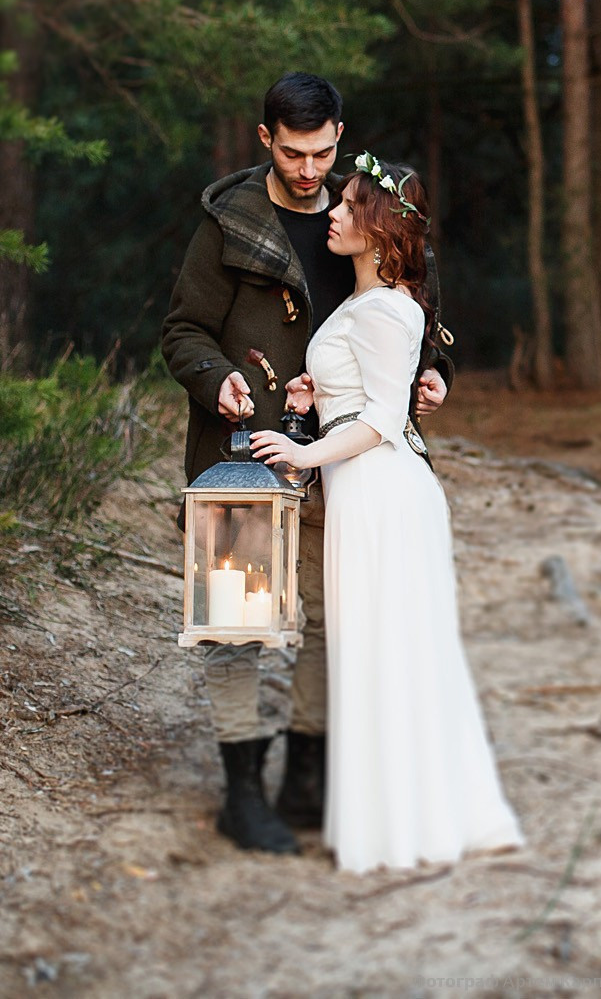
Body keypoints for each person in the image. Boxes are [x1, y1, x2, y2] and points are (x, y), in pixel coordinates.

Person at [160, 73, 450, 854]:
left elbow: (414, 315)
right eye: (293, 153)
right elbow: (182, 331)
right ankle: (243, 793)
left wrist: (433, 376)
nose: (309, 169)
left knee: (329, 620)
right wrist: (216, 376)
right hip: (241, 459)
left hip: (343, 469)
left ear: (339, 136)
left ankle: (308, 780)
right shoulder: (230, 222)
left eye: (323, 152)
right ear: (266, 139)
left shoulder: (364, 212)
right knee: (234, 622)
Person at [250, 156, 523, 873]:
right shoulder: (368, 301)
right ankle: (394, 814)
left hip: (380, 493)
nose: (334, 214)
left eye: (348, 206)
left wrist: (302, 453)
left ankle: (406, 823)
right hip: (363, 490)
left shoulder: (384, 308)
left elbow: (380, 419)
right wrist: (314, 400)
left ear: (377, 229)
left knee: (387, 653)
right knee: (375, 653)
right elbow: (361, 395)